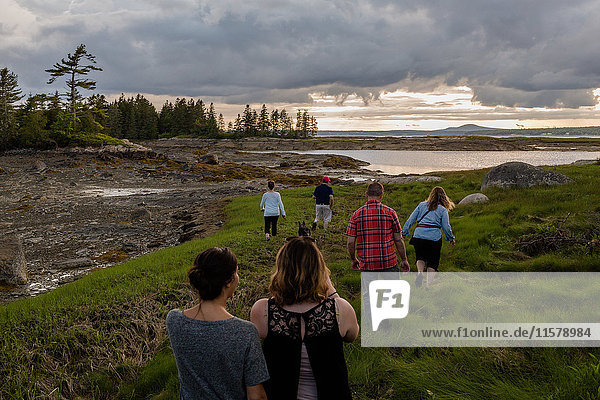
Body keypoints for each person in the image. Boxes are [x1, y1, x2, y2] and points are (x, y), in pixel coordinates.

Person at [251, 237, 359, 400]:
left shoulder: (263, 310)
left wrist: (284, 287)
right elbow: (352, 335)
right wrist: (331, 290)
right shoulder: (340, 309)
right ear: (320, 270)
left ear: (281, 269)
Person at [167, 247, 269, 400]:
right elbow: (256, 396)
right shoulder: (245, 332)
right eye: (236, 272)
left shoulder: (174, 320)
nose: (238, 277)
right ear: (228, 281)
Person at [346, 182, 410, 272]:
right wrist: (404, 259)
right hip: (389, 262)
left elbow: (350, 242)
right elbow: (398, 239)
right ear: (381, 195)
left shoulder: (356, 215)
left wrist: (353, 259)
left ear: (366, 194)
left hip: (367, 263)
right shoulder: (391, 213)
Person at [402, 186, 455, 287]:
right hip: (434, 238)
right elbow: (446, 227)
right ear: (444, 197)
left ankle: (420, 273)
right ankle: (428, 285)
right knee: (433, 261)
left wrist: (404, 232)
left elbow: (411, 219)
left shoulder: (421, 205)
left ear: (431, 195)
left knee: (420, 257)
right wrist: (450, 238)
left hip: (419, 236)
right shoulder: (443, 210)